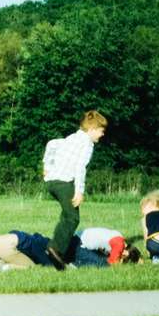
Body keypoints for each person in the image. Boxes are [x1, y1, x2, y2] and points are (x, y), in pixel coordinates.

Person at [42, 110, 107, 269]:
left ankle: (55, 248)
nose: (102, 134)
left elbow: (51, 143)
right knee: (73, 218)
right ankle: (55, 249)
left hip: (51, 182)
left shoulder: (72, 137)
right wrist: (79, 191)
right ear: (92, 129)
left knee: (67, 215)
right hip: (64, 183)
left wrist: (47, 165)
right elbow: (80, 168)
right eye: (101, 131)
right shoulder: (87, 145)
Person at [0, 230, 106, 270]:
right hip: (12, 243)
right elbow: (46, 262)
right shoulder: (41, 247)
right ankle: (5, 267)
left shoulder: (37, 241)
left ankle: (1, 263)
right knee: (33, 268)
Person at [75, 227, 140, 265]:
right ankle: (74, 263)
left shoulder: (118, 237)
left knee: (102, 257)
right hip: (79, 244)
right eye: (124, 257)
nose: (122, 256)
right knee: (103, 264)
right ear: (126, 252)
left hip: (79, 238)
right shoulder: (119, 244)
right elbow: (112, 262)